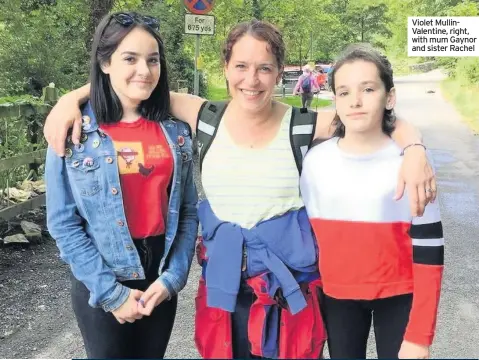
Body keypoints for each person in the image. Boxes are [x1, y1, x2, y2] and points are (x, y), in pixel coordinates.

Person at [43, 19, 437, 359]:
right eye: (242, 66)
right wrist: (69, 100)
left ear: (280, 70)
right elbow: (132, 83)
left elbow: (369, 113)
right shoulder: (203, 116)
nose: (252, 79)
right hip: (225, 287)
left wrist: (415, 147)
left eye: (265, 68)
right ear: (226, 68)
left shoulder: (303, 125)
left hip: (288, 290)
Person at [45, 12, 198, 359]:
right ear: (105, 62)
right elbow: (63, 223)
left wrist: (173, 277)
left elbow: (188, 212)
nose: (144, 70)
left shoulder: (175, 131)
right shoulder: (74, 130)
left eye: (152, 60)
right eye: (130, 58)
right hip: (101, 273)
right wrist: (111, 293)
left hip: (158, 273)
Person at [300, 44, 444, 359]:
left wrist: (420, 336)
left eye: (368, 89)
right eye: (344, 92)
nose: (355, 101)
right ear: (334, 99)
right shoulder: (315, 161)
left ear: (389, 97)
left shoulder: (412, 161)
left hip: (400, 295)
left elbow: (430, 247)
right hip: (337, 297)